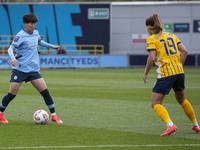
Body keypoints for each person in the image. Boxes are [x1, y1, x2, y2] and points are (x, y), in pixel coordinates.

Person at [0, 13, 63, 124]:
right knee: (12, 94)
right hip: (20, 69)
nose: (33, 26)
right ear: (25, 24)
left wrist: (52, 46)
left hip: (33, 70)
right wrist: (12, 58)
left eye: (34, 23)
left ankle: (54, 116)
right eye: (30, 23)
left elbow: (39, 41)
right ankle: (0, 114)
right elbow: (10, 48)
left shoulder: (36, 33)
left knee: (45, 92)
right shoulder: (20, 35)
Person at [143, 14, 200, 136]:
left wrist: (146, 73)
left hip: (165, 74)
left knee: (156, 104)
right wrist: (179, 65)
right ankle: (195, 125)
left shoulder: (152, 39)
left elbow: (151, 58)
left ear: (150, 28)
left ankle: (170, 125)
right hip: (179, 72)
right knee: (182, 100)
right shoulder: (172, 35)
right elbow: (184, 51)